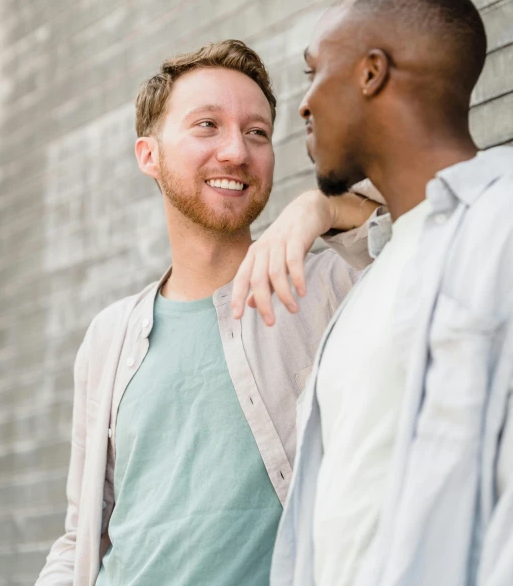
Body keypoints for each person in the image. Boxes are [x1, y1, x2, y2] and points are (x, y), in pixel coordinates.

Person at [35, 40, 381, 586]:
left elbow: (429, 218)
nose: (236, 153)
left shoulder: (326, 286)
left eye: (257, 132)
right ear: (148, 155)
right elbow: (83, 534)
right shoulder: (109, 336)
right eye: (206, 126)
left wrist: (322, 206)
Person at [233, 0, 513, 586]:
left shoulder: (506, 222)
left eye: (315, 72)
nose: (304, 102)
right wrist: (322, 207)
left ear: (371, 73)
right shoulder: (370, 282)